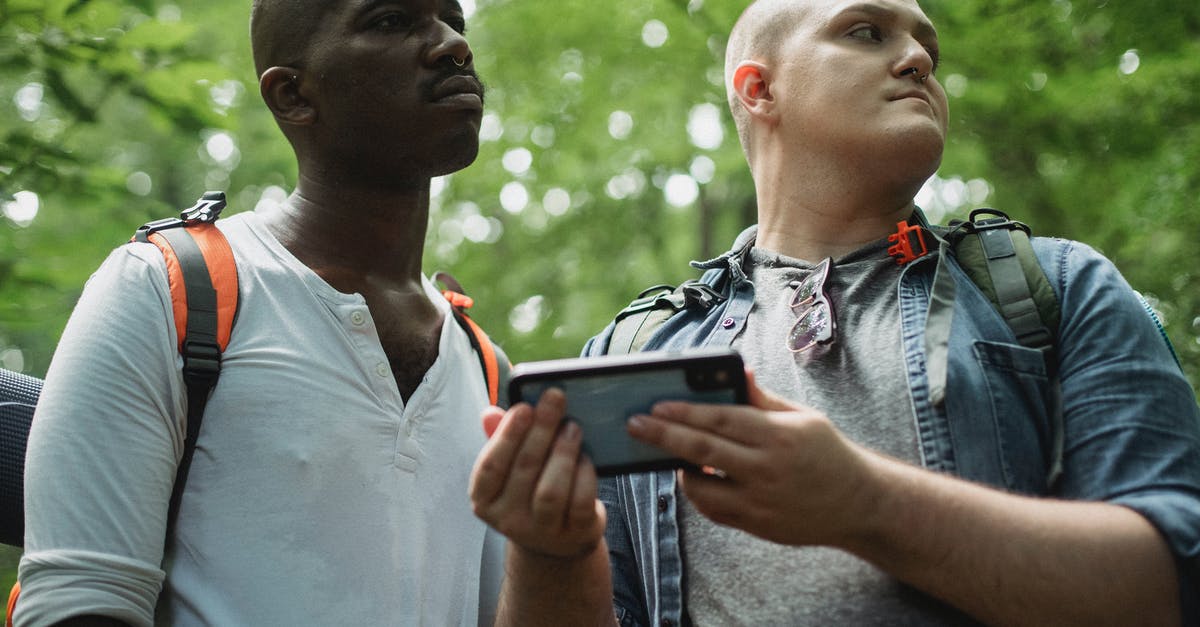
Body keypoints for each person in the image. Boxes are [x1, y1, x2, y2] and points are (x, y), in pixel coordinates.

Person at [468, 0, 1200, 624]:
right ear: (758, 90)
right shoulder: (631, 353)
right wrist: (550, 550)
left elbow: (1172, 580)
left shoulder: (1057, 288)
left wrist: (865, 503)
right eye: (866, 31)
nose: (917, 57)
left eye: (927, 47)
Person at [14, 0, 504, 625]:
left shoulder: (488, 371)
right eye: (391, 21)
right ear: (293, 94)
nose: (451, 46)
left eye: (453, 22)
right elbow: (79, 605)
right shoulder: (164, 292)